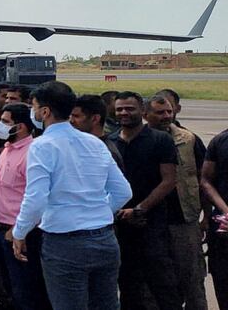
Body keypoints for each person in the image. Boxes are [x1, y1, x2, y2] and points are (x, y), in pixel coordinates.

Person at [12, 81, 132, 309]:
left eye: (34, 107)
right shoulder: (94, 143)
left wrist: (19, 232)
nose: (33, 112)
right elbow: (123, 192)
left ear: (45, 111)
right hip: (104, 239)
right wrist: (95, 213)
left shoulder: (42, 145)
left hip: (65, 244)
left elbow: (36, 199)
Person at [108, 91, 182, 310]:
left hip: (152, 224)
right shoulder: (110, 141)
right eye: (119, 108)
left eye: (129, 108)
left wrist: (140, 210)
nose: (123, 113)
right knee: (128, 284)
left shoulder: (160, 140)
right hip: (121, 225)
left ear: (142, 111)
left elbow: (169, 181)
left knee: (163, 284)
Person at [145, 95, 208, 310]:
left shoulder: (189, 139)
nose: (166, 116)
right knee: (153, 282)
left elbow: (203, 179)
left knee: (192, 278)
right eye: (159, 112)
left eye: (169, 112)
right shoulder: (137, 140)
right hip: (151, 222)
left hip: (184, 219)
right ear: (146, 115)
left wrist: (206, 217)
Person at [0, 103, 50, 310]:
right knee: (9, 287)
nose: (0, 125)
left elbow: (36, 197)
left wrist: (19, 230)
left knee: (25, 289)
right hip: (0, 228)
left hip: (19, 233)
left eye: (6, 121)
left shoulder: (32, 153)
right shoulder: (7, 149)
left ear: (21, 126)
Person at [201, 124, 228, 309]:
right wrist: (225, 210)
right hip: (224, 227)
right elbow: (205, 180)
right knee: (224, 283)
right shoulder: (220, 141)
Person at [70, 94, 125, 170]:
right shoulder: (76, 145)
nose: (71, 121)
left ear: (95, 119)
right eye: (70, 116)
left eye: (76, 116)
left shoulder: (107, 153)